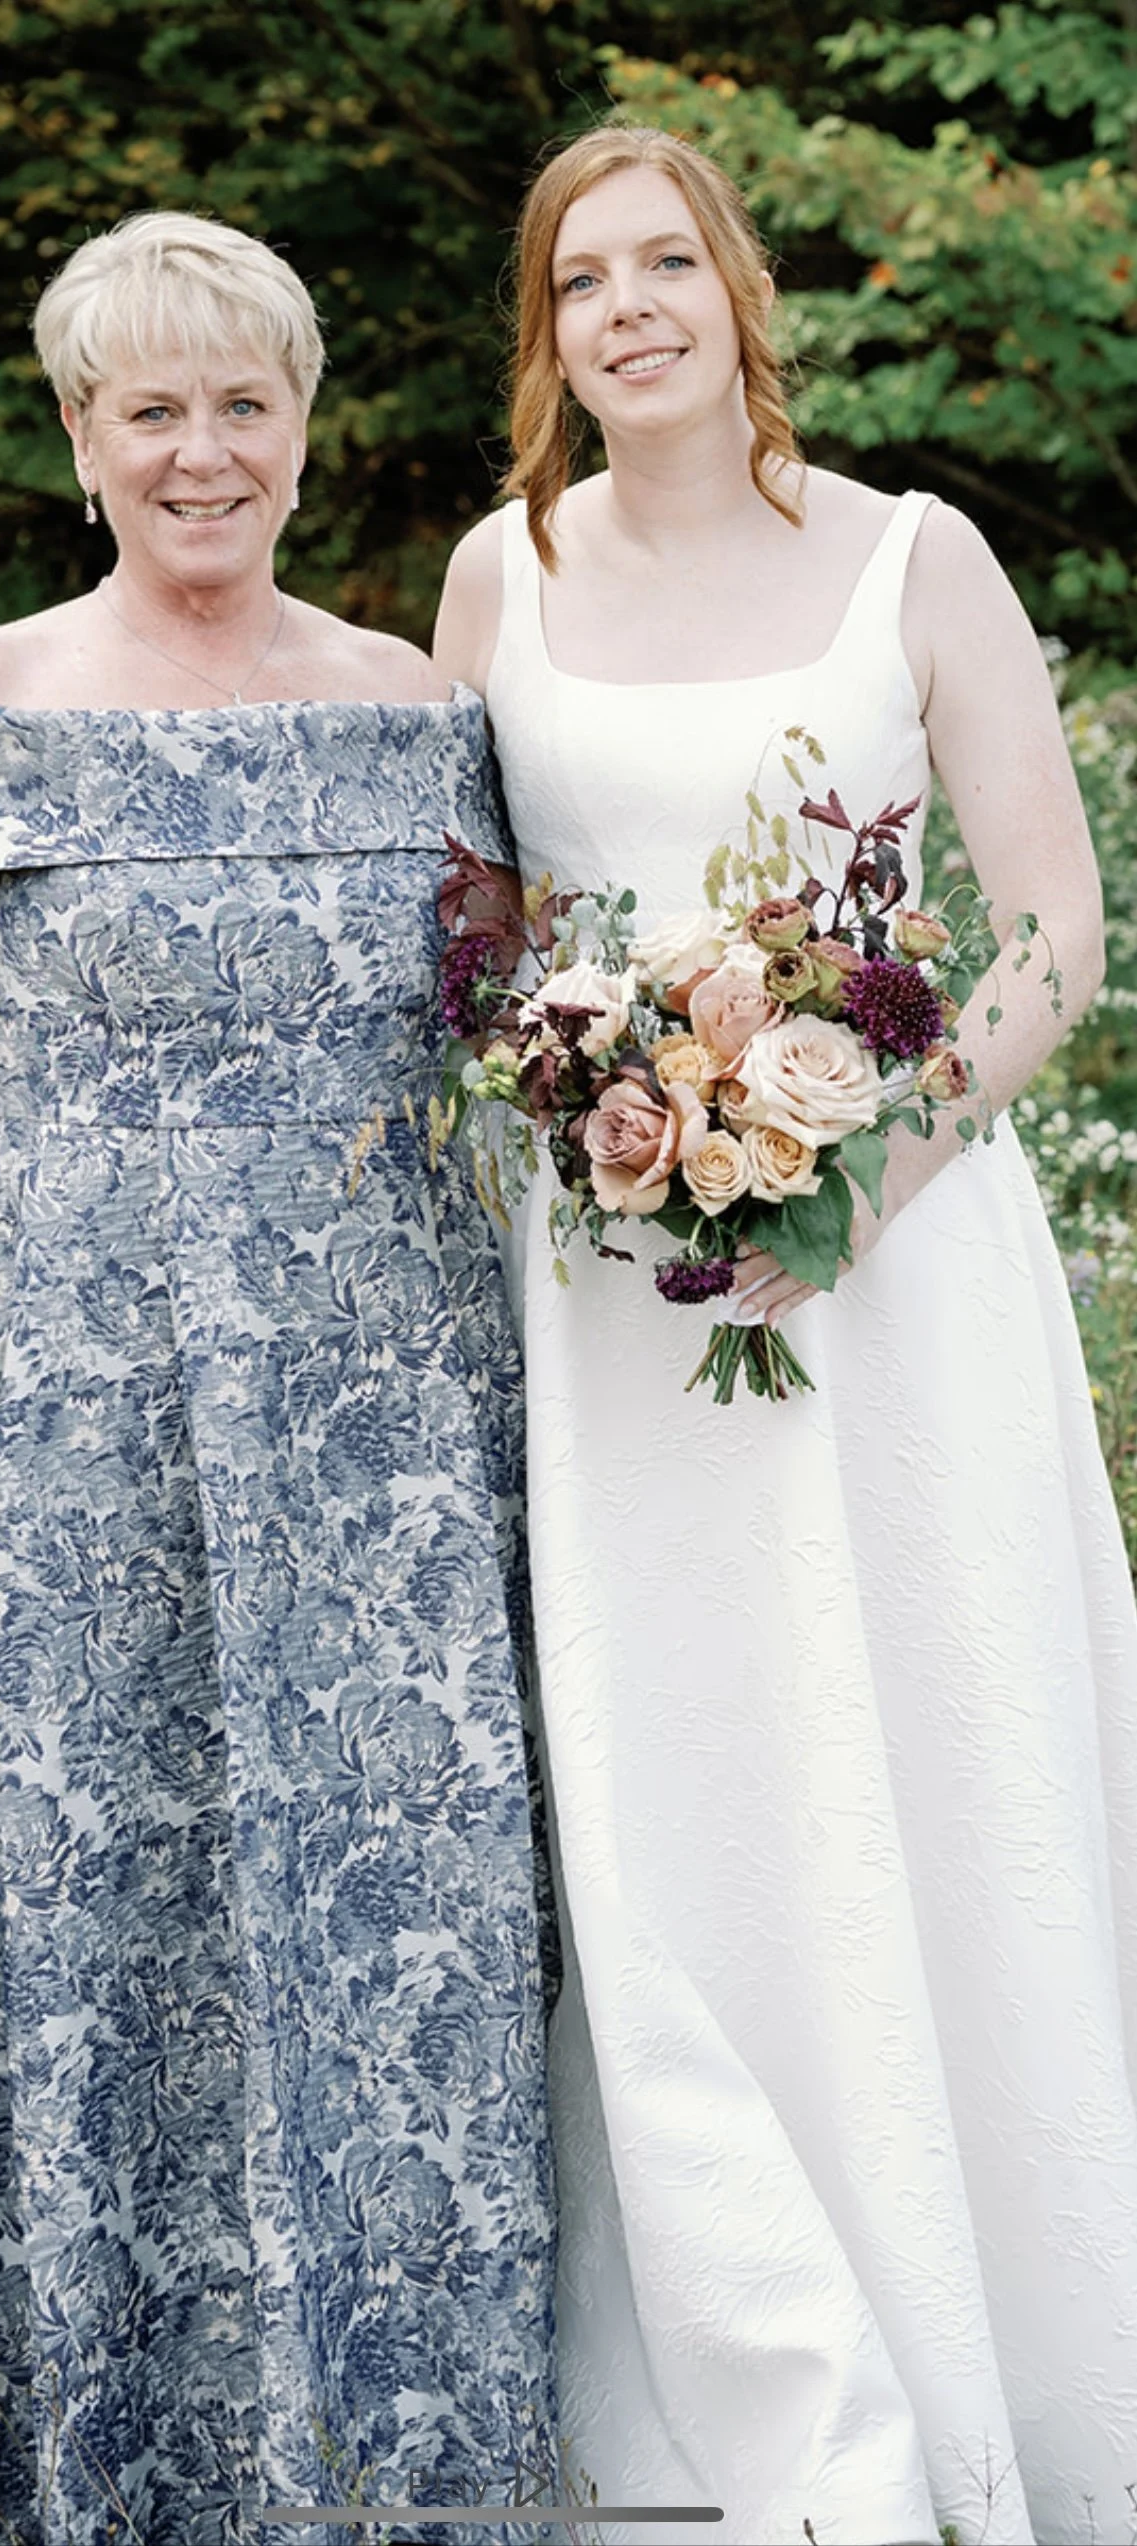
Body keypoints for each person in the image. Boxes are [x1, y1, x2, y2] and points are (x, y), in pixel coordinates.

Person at [434, 123, 1137, 2546]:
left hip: (893, 1262)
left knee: (933, 1727)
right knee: (682, 1752)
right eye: (573, 280)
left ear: (734, 295)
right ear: (542, 341)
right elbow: (470, 934)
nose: (623, 306)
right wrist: (591, 1090)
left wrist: (873, 1164)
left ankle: (1003, 2323)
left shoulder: (911, 559)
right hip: (621, 1291)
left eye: (660, 263)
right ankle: (747, 2322)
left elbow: (1048, 924)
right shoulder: (492, 577)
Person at [0, 210, 559, 2546]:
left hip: (390, 1447)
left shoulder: (416, 709)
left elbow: (530, 1040)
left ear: (302, 426)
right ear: (79, 438)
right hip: (62, 1435)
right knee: (94, 1944)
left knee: (396, 1936)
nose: (200, 449)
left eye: (241, 401)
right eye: (148, 406)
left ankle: (402, 2479)